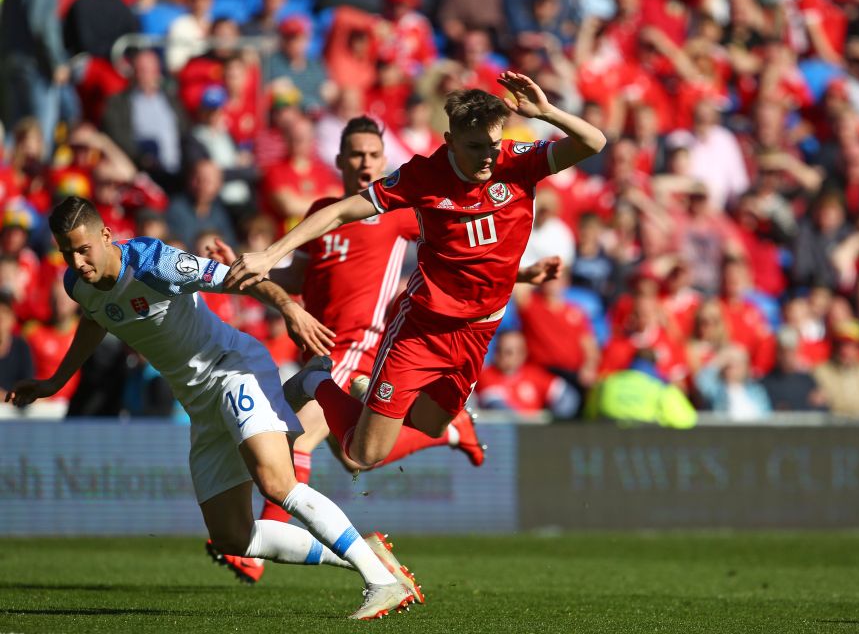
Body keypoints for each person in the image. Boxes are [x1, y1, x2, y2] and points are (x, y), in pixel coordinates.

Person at [7, 197, 421, 620]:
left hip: (231, 368)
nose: (76, 261)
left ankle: (382, 581)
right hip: (200, 404)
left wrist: (288, 306)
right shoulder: (77, 285)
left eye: (83, 249)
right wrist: (54, 381)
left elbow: (239, 278)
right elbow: (96, 319)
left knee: (276, 483)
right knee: (232, 537)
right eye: (65, 252)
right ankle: (362, 550)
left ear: (106, 236)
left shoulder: (154, 263)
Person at [225, 71, 605, 472]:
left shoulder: (517, 162)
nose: (488, 157)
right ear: (450, 141)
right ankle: (317, 382)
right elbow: (340, 211)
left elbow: (594, 142)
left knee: (429, 423)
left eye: (493, 145)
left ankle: (379, 400)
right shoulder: (423, 177)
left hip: (480, 330)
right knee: (362, 455)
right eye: (475, 147)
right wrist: (269, 255)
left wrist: (547, 112)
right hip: (424, 328)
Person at [206, 116, 486, 583]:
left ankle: (256, 552)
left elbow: (455, 252)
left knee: (297, 437)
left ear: (384, 160)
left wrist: (519, 275)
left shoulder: (400, 212)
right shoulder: (323, 208)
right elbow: (295, 279)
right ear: (338, 160)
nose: (365, 162)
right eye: (356, 154)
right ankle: (450, 429)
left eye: (373, 155)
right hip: (317, 347)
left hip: (359, 345)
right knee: (351, 454)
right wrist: (236, 267)